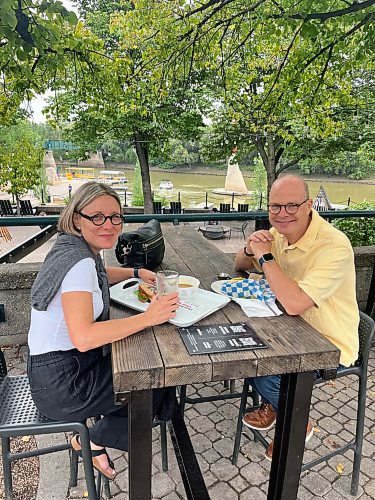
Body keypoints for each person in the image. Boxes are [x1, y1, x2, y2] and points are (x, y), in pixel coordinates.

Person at [27, 181, 179, 479]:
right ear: (76, 218)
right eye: (97, 217)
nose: (108, 225)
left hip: (52, 371)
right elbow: (84, 338)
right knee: (155, 378)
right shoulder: (79, 264)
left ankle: (96, 433)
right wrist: (150, 316)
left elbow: (99, 274)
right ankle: (93, 439)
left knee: (143, 365)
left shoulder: (72, 247)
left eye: (115, 217)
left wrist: (136, 272)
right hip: (64, 386)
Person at [234, 174, 359, 460]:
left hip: (328, 342)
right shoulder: (278, 234)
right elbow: (239, 264)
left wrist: (266, 258)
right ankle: (277, 405)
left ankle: (295, 421)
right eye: (275, 207)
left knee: (265, 374)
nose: (282, 214)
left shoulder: (333, 246)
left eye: (292, 206)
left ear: (309, 205)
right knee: (240, 357)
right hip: (287, 329)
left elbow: (295, 303)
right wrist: (251, 246)